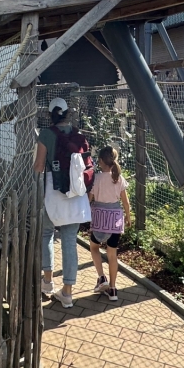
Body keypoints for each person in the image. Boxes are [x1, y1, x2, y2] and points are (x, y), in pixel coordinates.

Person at [34, 97, 91, 308]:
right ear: (68, 114)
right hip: (76, 192)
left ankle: (47, 281)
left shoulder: (46, 135)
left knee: (47, 233)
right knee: (69, 240)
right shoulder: (79, 135)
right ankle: (67, 292)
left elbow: (39, 165)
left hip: (54, 191)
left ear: (50, 115)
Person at [88, 146, 132, 301]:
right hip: (115, 218)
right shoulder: (118, 178)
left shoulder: (97, 178)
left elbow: (90, 199)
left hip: (100, 217)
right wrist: (128, 217)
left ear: (100, 161)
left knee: (94, 246)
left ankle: (102, 278)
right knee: (112, 254)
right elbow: (125, 202)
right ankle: (113, 289)